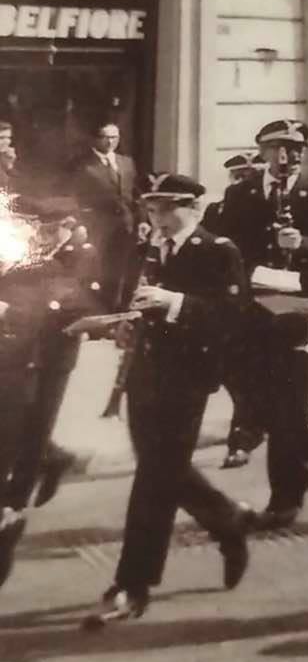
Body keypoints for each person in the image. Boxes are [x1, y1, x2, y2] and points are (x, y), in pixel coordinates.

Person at [84, 174, 255, 626]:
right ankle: (226, 518)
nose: (155, 216)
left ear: (192, 208)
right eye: (152, 207)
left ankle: (131, 584)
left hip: (188, 378)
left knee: (154, 480)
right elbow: (133, 303)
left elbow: (232, 317)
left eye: (165, 207)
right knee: (162, 468)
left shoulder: (218, 250)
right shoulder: (146, 250)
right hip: (144, 374)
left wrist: (175, 302)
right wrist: (124, 325)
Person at [205, 118, 308, 530]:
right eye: (278, 148)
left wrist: (305, 244)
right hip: (251, 309)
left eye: (296, 149)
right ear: (262, 151)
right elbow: (225, 247)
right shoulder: (240, 192)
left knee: (291, 401)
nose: (288, 157)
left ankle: (284, 498)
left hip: (297, 309)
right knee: (251, 392)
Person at [0, 207, 103, 588]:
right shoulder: (24, 254)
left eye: (49, 229)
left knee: (34, 434)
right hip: (17, 357)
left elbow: (73, 303)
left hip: (53, 358)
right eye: (36, 228)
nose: (41, 235)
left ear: (67, 226)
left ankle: (13, 517)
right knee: (14, 433)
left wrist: (16, 310)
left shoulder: (83, 255)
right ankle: (48, 463)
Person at [207, 152, 266, 470]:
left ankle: (243, 435)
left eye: (249, 176)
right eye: (237, 177)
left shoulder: (268, 209)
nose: (243, 182)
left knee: (249, 370)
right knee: (230, 369)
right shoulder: (216, 210)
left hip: (260, 298)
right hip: (224, 302)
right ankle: (255, 423)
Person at [70, 121, 139, 311]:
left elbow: (135, 195)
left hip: (127, 228)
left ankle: (119, 312)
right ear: (95, 138)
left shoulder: (126, 162)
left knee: (125, 274)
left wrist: (142, 221)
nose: (110, 142)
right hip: (99, 230)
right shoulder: (82, 166)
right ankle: (99, 314)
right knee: (100, 274)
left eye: (114, 137)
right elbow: (76, 199)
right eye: (105, 137)